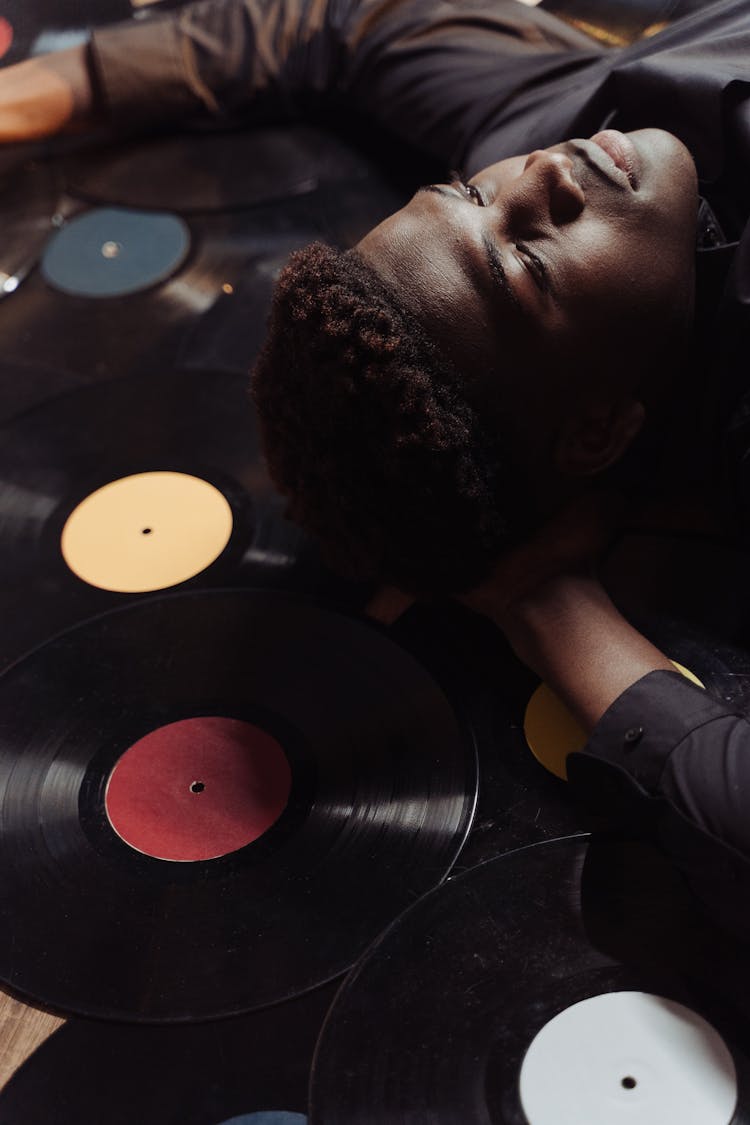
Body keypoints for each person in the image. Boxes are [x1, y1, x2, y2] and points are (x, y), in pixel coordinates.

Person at [2, 0, 750, 928]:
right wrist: (549, 604)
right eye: (526, 268)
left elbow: (341, 24)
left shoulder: (549, 133)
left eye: (468, 195)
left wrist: (34, 92)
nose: (543, 174)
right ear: (596, 432)